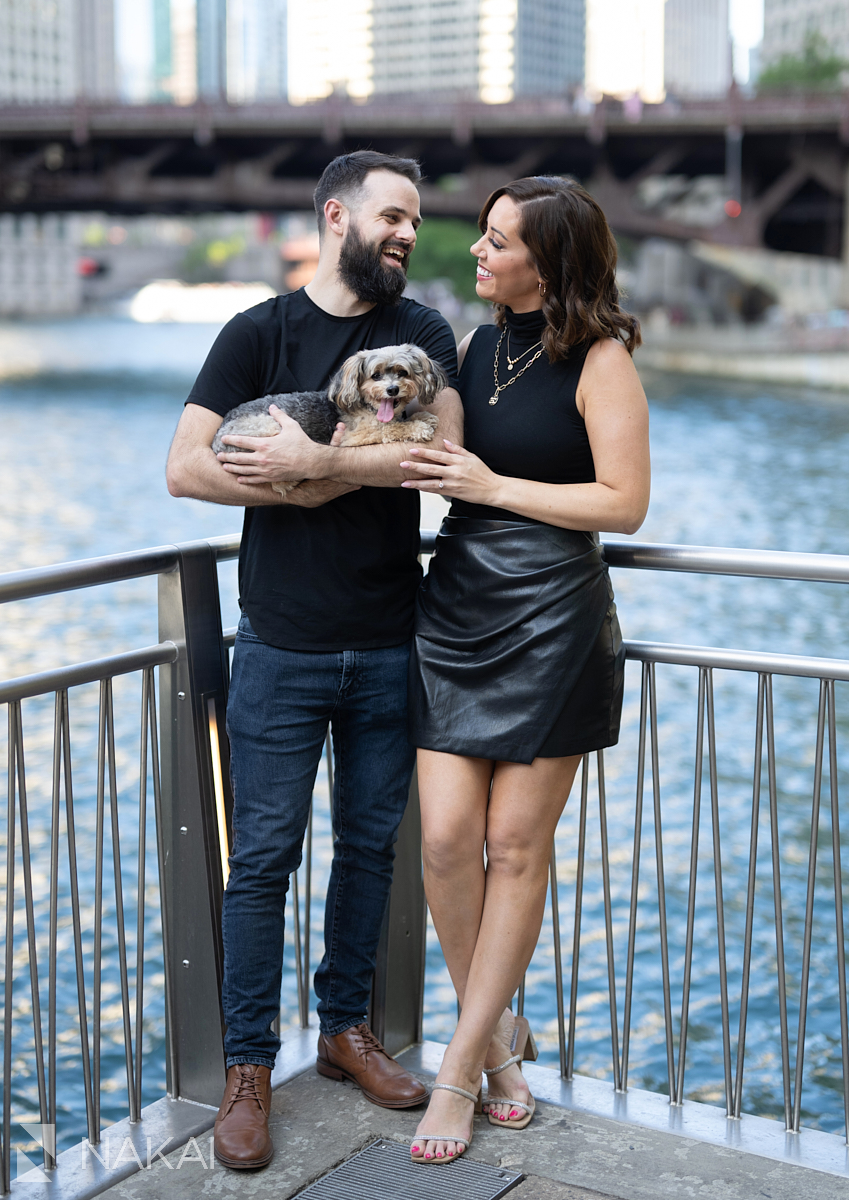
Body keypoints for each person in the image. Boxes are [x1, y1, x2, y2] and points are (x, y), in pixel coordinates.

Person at [166, 150, 463, 1170]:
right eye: (390, 216)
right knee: (264, 864)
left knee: (371, 856)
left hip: (389, 642)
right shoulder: (257, 332)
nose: (406, 235)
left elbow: (436, 457)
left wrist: (316, 459)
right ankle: (249, 1071)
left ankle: (346, 1032)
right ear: (336, 214)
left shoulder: (419, 332)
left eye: (414, 221)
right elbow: (185, 468)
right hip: (281, 650)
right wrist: (308, 479)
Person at [400, 176, 650, 1164]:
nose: (476, 252)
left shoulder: (603, 358)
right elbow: (437, 449)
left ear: (545, 263)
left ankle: (463, 1071)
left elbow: (625, 503)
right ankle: (499, 1039)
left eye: (496, 241)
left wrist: (495, 484)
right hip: (457, 609)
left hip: (553, 616)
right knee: (450, 839)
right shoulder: (473, 345)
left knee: (513, 843)